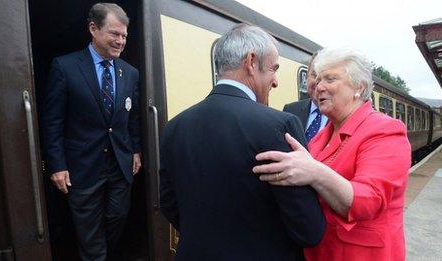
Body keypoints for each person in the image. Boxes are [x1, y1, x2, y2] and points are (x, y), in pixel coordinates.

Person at [160, 23, 325, 261]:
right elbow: (309, 229)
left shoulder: (175, 126)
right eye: (273, 69)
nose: (275, 81)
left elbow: (169, 203)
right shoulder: (279, 125)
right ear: (251, 62)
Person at [253, 48, 411, 260]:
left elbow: (368, 200)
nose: (319, 87)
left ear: (359, 87)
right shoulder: (321, 137)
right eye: (317, 80)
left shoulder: (385, 131)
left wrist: (315, 172)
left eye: (330, 79)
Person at [41, 3, 141, 260]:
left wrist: (136, 150)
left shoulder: (130, 73)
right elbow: (52, 121)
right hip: (81, 167)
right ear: (93, 29)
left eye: (124, 36)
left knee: (117, 218)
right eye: (115, 34)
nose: (121, 41)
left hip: (120, 164)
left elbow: (133, 119)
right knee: (89, 232)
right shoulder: (65, 67)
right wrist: (56, 165)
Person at [283, 53, 328, 143]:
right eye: (315, 75)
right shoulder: (290, 109)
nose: (318, 83)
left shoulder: (344, 116)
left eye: (327, 78)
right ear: (306, 76)